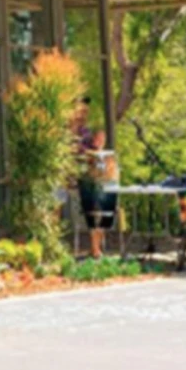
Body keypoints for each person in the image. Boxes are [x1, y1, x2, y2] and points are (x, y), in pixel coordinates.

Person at [72, 98, 116, 258]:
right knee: (91, 201)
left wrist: (99, 147)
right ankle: (95, 247)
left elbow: (94, 152)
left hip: (91, 177)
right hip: (72, 178)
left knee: (106, 201)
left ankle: (96, 246)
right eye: (80, 111)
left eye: (85, 111)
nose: (83, 114)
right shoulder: (67, 133)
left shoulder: (87, 133)